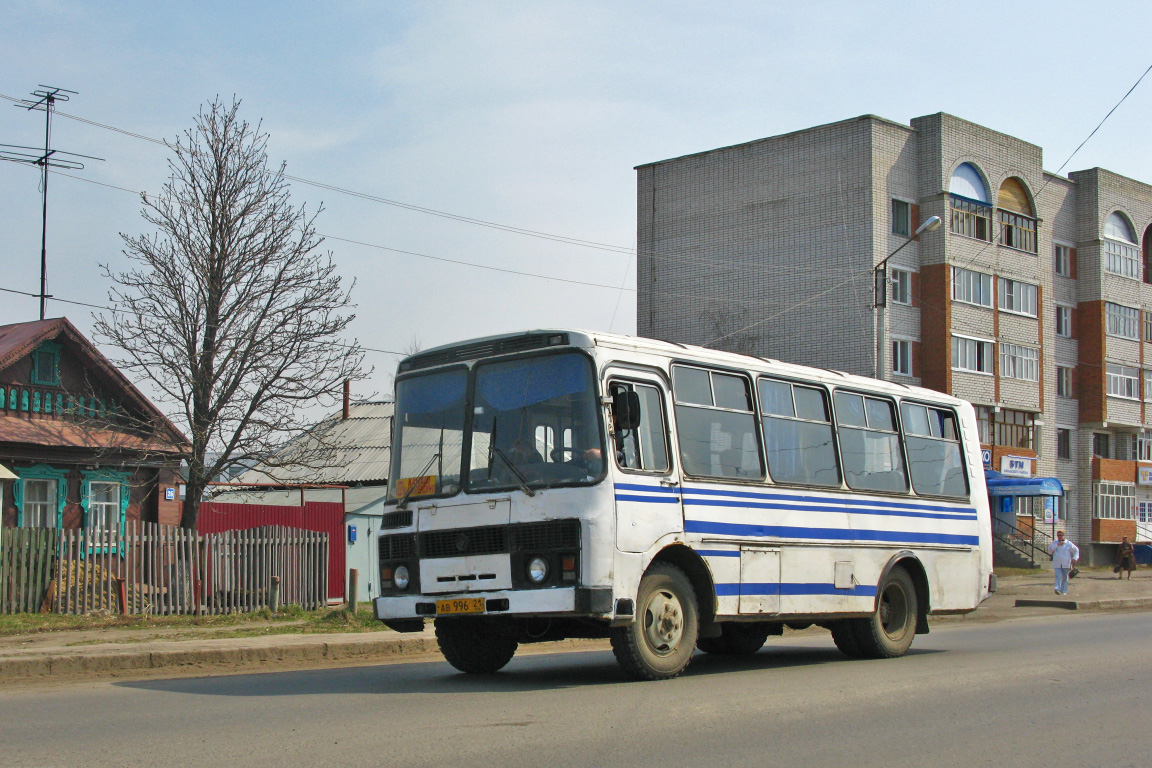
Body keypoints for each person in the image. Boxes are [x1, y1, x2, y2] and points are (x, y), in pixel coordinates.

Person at [1048, 530, 1080, 596]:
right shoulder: (1055, 543)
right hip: (1057, 563)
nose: (1059, 537)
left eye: (1061, 535)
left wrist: (1074, 558)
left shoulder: (1068, 543)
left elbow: (1076, 550)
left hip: (1066, 563)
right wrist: (1057, 545)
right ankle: (1057, 589)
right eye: (1058, 535)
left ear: (1063, 536)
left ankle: (1064, 591)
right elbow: (1051, 549)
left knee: (1065, 577)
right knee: (1058, 575)